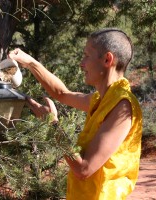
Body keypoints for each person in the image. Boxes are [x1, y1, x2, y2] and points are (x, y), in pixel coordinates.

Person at [8, 28, 142, 200]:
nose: (81, 63)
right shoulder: (101, 100)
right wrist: (30, 63)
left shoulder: (122, 106)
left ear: (107, 59)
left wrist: (52, 124)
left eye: (87, 56)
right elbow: (61, 93)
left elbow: (83, 169)